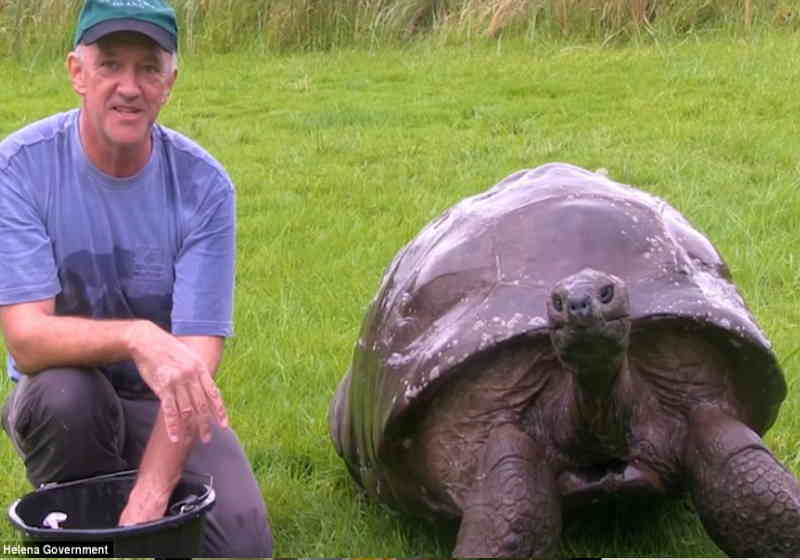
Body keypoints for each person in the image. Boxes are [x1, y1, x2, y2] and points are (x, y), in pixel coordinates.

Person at [0, 0, 273, 556]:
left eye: (148, 67)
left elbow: (195, 359)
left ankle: (130, 490)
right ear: (77, 71)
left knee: (244, 545)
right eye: (110, 65)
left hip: (168, 397)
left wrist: (150, 493)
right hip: (65, 391)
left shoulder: (205, 187)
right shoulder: (19, 169)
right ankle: (80, 520)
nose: (130, 86)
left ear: (170, 82)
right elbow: (27, 340)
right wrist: (136, 335)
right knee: (66, 399)